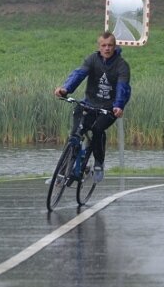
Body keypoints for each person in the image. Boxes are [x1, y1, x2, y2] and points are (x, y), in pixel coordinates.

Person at [54, 31, 131, 182]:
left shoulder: (122, 66)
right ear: (99, 47)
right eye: (104, 45)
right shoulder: (92, 59)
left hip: (109, 108)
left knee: (97, 130)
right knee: (75, 134)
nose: (107, 48)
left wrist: (118, 106)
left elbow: (123, 88)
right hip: (89, 104)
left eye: (110, 45)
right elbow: (79, 74)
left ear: (114, 46)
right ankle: (62, 173)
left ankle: (98, 164)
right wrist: (65, 89)